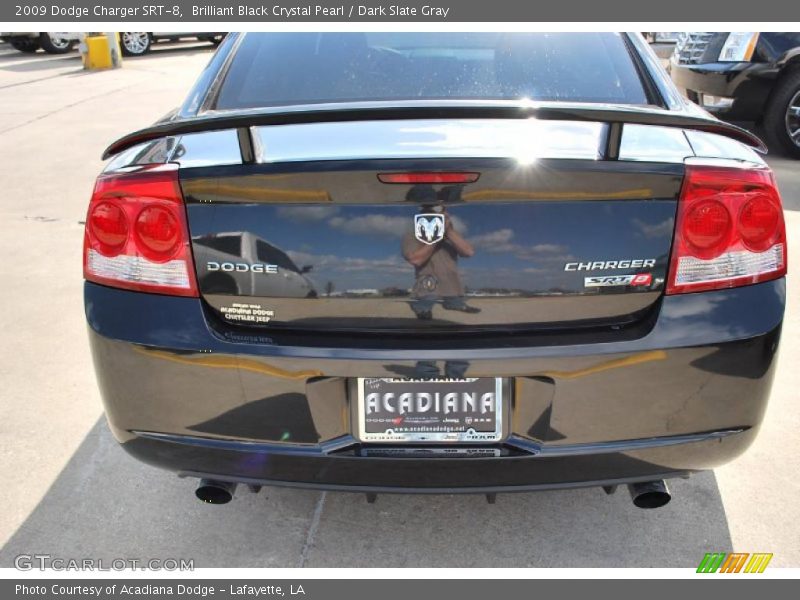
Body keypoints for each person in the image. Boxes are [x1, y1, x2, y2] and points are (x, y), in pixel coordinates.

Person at [402, 204, 480, 320]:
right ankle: (422, 309)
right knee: (425, 304)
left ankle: (456, 304)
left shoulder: (451, 235)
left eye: (440, 214)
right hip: (428, 280)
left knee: (455, 300)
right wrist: (436, 237)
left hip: (452, 281)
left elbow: (468, 252)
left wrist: (448, 231)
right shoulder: (412, 234)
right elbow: (416, 260)